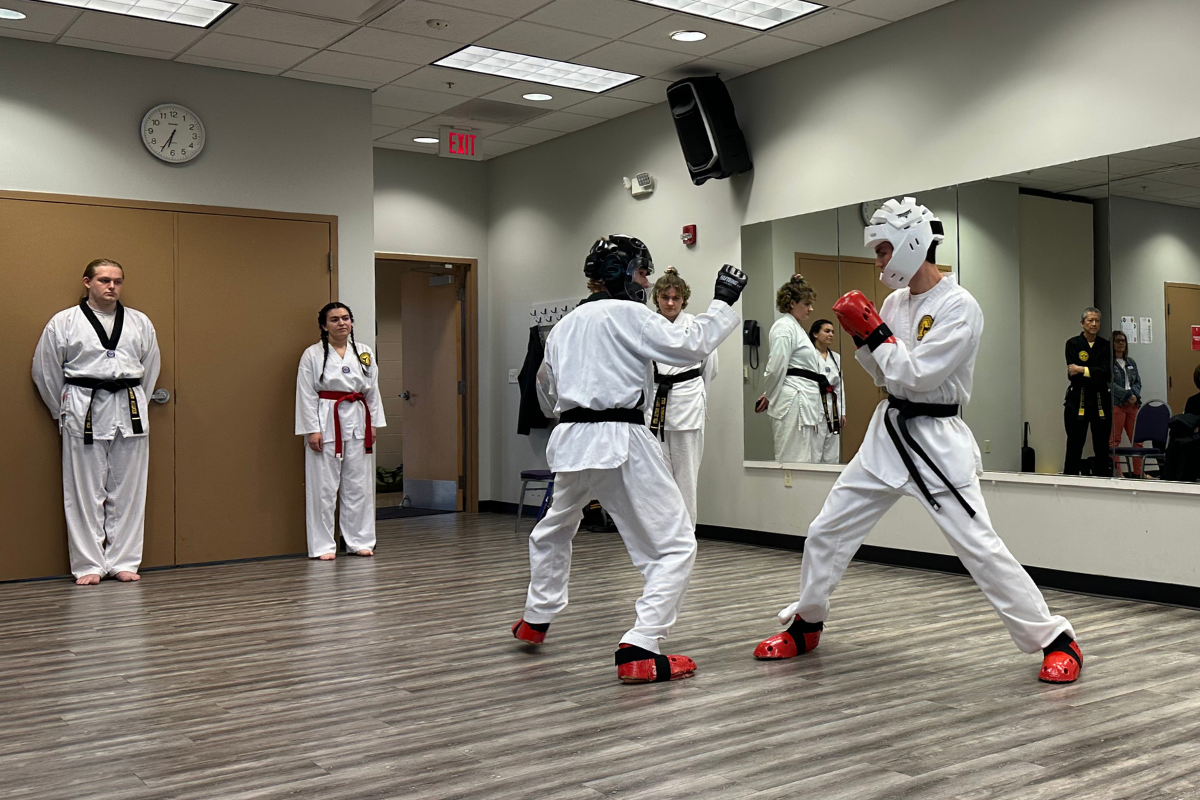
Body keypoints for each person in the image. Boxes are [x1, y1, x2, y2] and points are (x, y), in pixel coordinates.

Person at [752, 197, 1082, 684]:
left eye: (885, 250)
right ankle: (808, 622)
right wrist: (866, 342)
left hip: (936, 437)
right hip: (889, 431)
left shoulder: (959, 305)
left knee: (979, 547)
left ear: (912, 245)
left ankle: (1057, 639)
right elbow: (884, 376)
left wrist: (875, 336)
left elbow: (923, 374)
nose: (880, 261)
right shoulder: (893, 303)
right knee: (827, 529)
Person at [511, 235, 745, 684]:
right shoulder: (630, 314)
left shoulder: (564, 326)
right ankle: (641, 644)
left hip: (572, 438)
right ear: (623, 272)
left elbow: (545, 390)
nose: (647, 282)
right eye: (642, 272)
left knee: (555, 528)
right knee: (676, 545)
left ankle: (536, 617)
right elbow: (687, 346)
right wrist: (722, 303)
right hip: (623, 437)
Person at [32, 259, 161, 585]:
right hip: (82, 408)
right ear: (87, 282)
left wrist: (139, 403)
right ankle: (89, 564)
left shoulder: (139, 322)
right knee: (83, 491)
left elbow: (151, 366)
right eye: (104, 280)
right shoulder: (65, 322)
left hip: (128, 408)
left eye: (117, 280)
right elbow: (45, 371)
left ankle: (124, 560)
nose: (112, 286)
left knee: (130, 491)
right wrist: (61, 409)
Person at [295, 302, 385, 560]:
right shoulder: (312, 354)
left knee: (358, 485)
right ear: (324, 326)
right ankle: (323, 546)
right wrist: (312, 430)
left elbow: (372, 390)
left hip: (358, 418)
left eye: (346, 318)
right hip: (326, 419)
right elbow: (305, 393)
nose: (341, 323)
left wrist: (373, 424)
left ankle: (360, 541)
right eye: (334, 319)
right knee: (323, 487)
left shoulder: (364, 352)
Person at [648, 267, 717, 530]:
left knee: (686, 477)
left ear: (683, 300)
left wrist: (698, 400)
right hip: (654, 407)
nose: (669, 303)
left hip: (688, 403)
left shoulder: (696, 326)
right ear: (657, 298)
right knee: (658, 476)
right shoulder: (648, 325)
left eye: (675, 298)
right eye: (664, 297)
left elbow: (710, 369)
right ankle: (662, 533)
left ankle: (686, 534)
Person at [755, 275, 825, 462]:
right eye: (806, 303)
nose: (811, 308)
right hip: (794, 400)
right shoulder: (784, 328)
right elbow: (775, 368)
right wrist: (769, 394)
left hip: (804, 398)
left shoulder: (797, 329)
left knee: (806, 460)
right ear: (792, 303)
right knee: (793, 461)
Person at [1063, 308, 1112, 477]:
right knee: (1075, 441)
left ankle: (1102, 478)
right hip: (1079, 397)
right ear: (1082, 323)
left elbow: (1106, 373)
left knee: (1101, 443)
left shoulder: (1105, 345)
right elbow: (1072, 374)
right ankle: (1070, 477)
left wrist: (1082, 369)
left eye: (1097, 321)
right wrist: (1093, 371)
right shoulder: (1073, 344)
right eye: (1090, 320)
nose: (1094, 324)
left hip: (1100, 398)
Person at [808, 318, 846, 464]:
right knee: (815, 451)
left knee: (832, 453)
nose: (831, 334)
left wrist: (842, 412)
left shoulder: (836, 357)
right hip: (815, 407)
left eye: (832, 332)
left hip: (833, 409)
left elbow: (840, 387)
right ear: (815, 334)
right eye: (827, 331)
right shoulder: (809, 356)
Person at [1109, 330, 1142, 477]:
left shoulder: (1131, 362)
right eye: (1118, 340)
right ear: (1112, 343)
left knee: (1137, 440)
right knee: (1114, 441)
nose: (1121, 343)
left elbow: (1137, 381)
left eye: (1123, 340)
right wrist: (1127, 395)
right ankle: (1118, 472)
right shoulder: (1109, 363)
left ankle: (1139, 472)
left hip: (1133, 405)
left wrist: (1134, 395)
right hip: (1118, 404)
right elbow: (1110, 384)